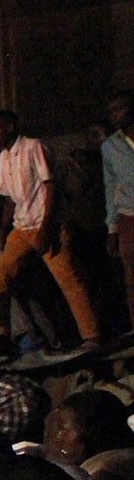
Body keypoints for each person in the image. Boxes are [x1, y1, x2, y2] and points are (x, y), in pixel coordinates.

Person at [0, 108, 102, 346]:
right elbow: (9, 199)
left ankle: (92, 336)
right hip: (21, 227)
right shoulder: (3, 157)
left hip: (48, 224)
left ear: (9, 128)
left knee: (68, 278)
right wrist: (1, 234)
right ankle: (1, 337)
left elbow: (50, 185)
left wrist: (45, 229)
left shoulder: (33, 147)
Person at [102, 90, 134, 330]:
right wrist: (112, 226)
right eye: (111, 111)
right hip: (128, 216)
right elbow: (110, 185)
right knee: (131, 280)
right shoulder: (111, 146)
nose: (114, 115)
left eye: (120, 109)